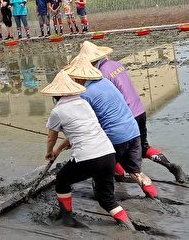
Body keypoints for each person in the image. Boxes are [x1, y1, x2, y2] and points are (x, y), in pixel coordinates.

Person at [78, 41, 187, 183]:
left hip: (125, 116)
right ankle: (170, 166)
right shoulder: (116, 64)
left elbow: (106, 101)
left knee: (111, 149)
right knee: (143, 146)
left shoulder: (101, 74)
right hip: (139, 110)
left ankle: (120, 177)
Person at [42, 70, 134, 230]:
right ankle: (129, 227)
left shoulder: (57, 111)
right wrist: (60, 149)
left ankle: (67, 218)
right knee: (106, 200)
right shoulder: (84, 103)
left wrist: (50, 152)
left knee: (62, 180)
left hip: (87, 158)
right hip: (108, 154)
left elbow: (51, 137)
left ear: (55, 95)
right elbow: (78, 132)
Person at [65, 55, 158, 198]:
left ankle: (103, 198)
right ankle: (153, 195)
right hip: (133, 130)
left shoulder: (84, 95)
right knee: (135, 170)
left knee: (100, 163)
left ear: (78, 78)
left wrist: (70, 141)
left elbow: (85, 125)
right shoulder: (106, 82)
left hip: (116, 136)